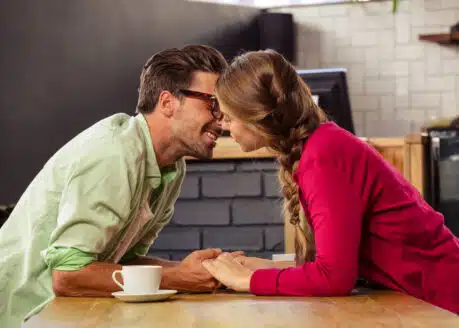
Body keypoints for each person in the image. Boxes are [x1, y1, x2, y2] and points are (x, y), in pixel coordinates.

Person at [202, 49, 459, 314]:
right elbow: (338, 264)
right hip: (426, 299)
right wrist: (266, 267)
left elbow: (335, 277)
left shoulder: (323, 157)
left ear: (259, 116)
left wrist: (247, 280)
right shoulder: (322, 146)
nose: (224, 127)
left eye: (230, 118)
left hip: (444, 302)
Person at [0, 44, 231, 328]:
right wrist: (178, 277)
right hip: (19, 315)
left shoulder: (170, 167)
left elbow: (126, 262)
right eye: (213, 103)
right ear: (168, 102)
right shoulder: (115, 154)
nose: (222, 119)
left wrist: (208, 271)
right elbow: (68, 274)